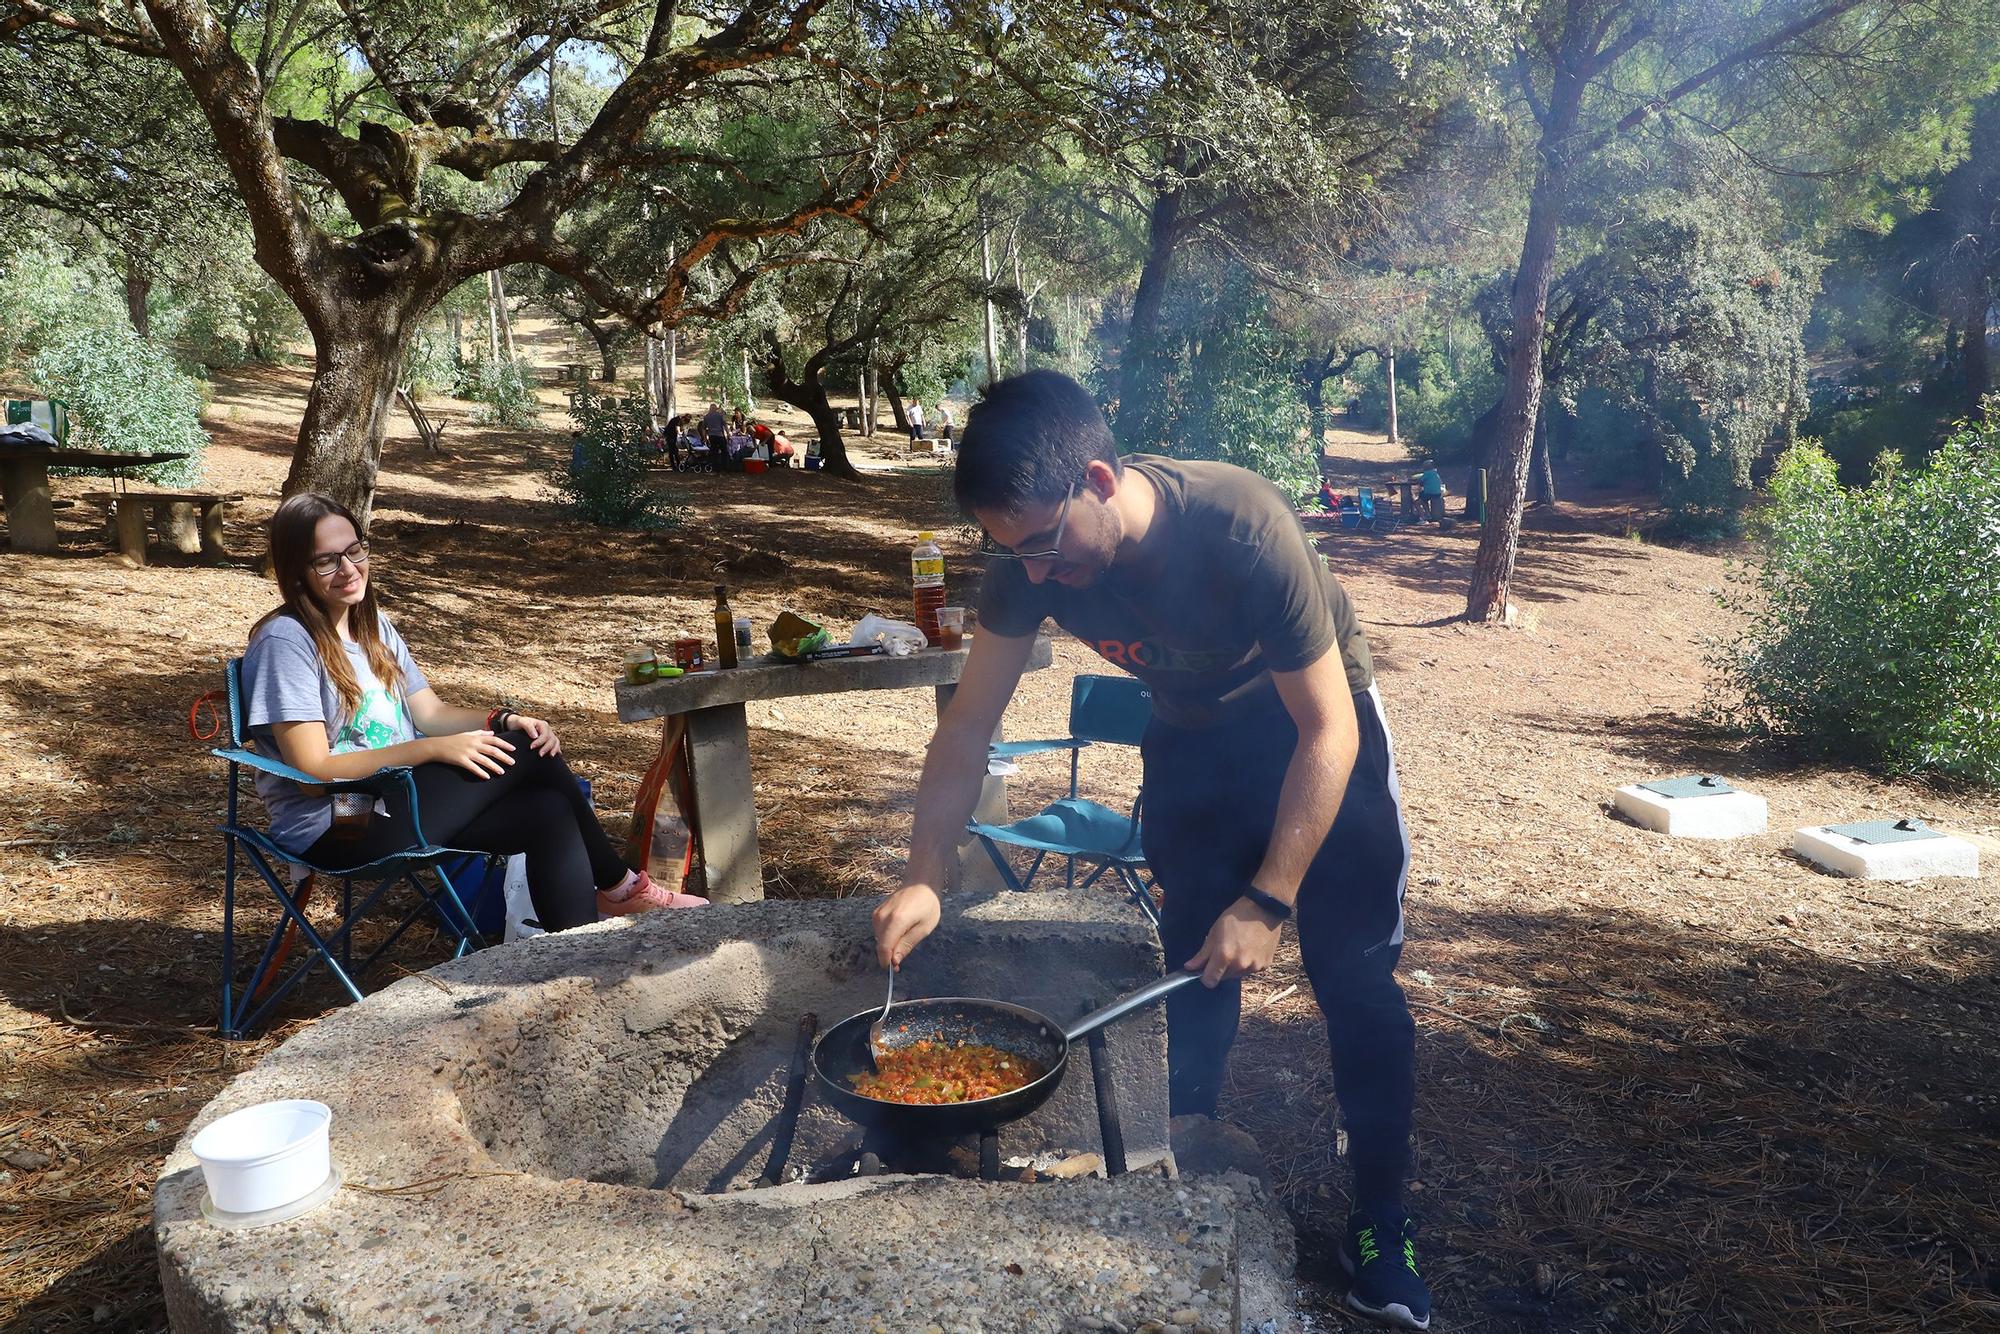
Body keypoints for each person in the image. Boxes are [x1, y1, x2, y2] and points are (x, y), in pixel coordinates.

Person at [871, 370, 1427, 1330]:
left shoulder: (1241, 525)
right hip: (1193, 738)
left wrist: (1269, 901)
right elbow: (967, 730)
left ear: (1096, 478)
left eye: (1044, 546)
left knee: (1357, 982)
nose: (1035, 576)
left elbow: (1327, 729)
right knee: (1193, 965)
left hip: (1314, 734)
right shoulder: (1027, 554)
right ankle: (1187, 1149)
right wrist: (925, 875)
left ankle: (1382, 1219)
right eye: (1014, 554)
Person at [242, 493, 687, 931]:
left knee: (548, 809)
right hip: (338, 824)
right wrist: (430, 751)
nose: (348, 569)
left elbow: (431, 713)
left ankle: (573, 968)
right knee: (528, 753)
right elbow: (317, 774)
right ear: (297, 573)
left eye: (354, 550)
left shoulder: (371, 627)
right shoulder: (286, 641)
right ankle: (620, 888)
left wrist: (503, 720)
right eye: (326, 561)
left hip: (397, 801)